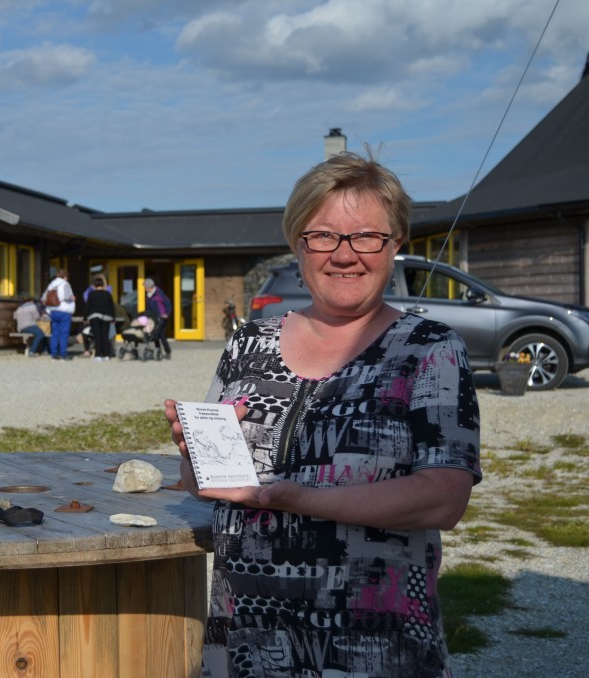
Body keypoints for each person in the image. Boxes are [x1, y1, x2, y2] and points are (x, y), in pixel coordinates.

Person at [164, 151, 481, 677]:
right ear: (298, 245)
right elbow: (202, 483)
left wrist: (302, 499)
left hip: (374, 648)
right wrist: (192, 453)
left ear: (395, 244)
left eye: (366, 236)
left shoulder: (430, 349)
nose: (345, 254)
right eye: (324, 236)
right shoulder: (249, 344)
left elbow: (444, 497)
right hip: (246, 639)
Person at [42, 269, 75, 360]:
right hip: (64, 311)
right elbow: (66, 296)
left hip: (53, 311)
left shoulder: (51, 285)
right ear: (65, 277)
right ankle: (63, 354)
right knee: (64, 333)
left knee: (55, 333)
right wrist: (73, 298)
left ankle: (54, 354)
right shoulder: (65, 284)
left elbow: (43, 298)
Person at [84, 275, 115, 361]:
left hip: (94, 317)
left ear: (94, 285)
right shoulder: (107, 294)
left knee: (97, 336)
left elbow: (88, 307)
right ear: (103, 285)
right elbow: (111, 306)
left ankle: (98, 355)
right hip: (106, 317)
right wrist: (113, 318)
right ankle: (106, 355)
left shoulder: (92, 294)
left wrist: (85, 317)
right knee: (105, 336)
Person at [143, 277, 172, 359]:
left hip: (162, 318)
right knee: (155, 335)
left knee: (162, 336)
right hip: (154, 318)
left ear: (150, 287)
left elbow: (168, 304)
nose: (145, 289)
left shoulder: (159, 294)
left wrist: (166, 314)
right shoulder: (148, 296)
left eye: (145, 287)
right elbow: (148, 308)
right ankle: (158, 351)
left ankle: (168, 352)